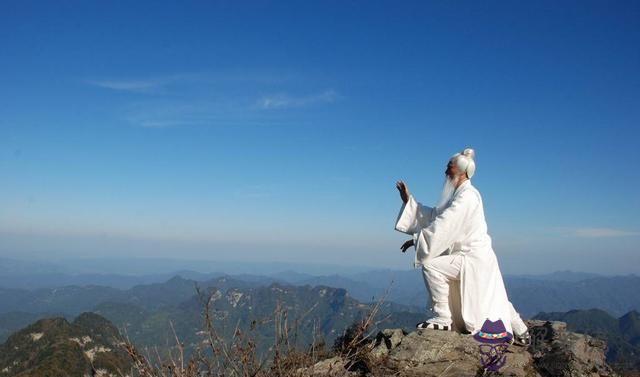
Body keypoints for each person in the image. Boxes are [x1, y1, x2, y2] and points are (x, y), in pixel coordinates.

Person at [394, 147, 531, 345]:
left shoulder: (466, 197)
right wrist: (409, 201)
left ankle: (443, 318)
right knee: (494, 294)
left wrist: (417, 240)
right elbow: (437, 216)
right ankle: (521, 330)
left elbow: (444, 225)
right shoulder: (461, 195)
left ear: (461, 171)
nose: (445, 172)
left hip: (472, 258)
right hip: (480, 257)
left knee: (432, 267)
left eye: (448, 167)